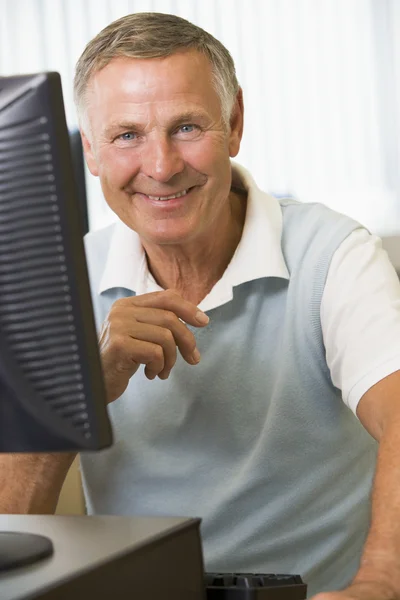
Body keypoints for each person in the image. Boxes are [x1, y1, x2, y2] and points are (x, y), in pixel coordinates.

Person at [2, 11, 400, 600]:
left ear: (234, 123)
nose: (161, 167)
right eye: (127, 135)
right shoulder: (63, 283)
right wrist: (81, 395)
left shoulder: (334, 251)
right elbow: (12, 528)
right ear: (90, 149)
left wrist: (380, 584)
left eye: (187, 127)